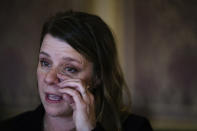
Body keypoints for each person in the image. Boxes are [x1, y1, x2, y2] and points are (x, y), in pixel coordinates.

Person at [0, 10, 153, 131]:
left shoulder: (136, 127)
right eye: (45, 63)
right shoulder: (10, 127)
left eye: (69, 68)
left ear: (97, 76)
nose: (49, 79)